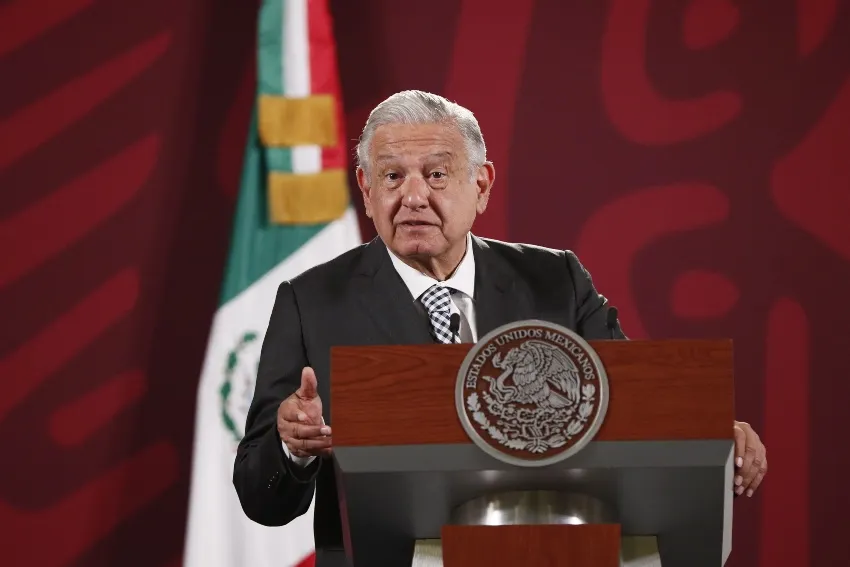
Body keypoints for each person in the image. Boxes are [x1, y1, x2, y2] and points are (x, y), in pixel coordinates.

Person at [232, 90, 767, 564]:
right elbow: (260, 497)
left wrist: (708, 435)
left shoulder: (556, 280)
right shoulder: (311, 302)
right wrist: (293, 446)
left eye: (436, 174)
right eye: (393, 176)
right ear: (366, 189)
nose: (413, 196)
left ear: (481, 184)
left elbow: (632, 406)